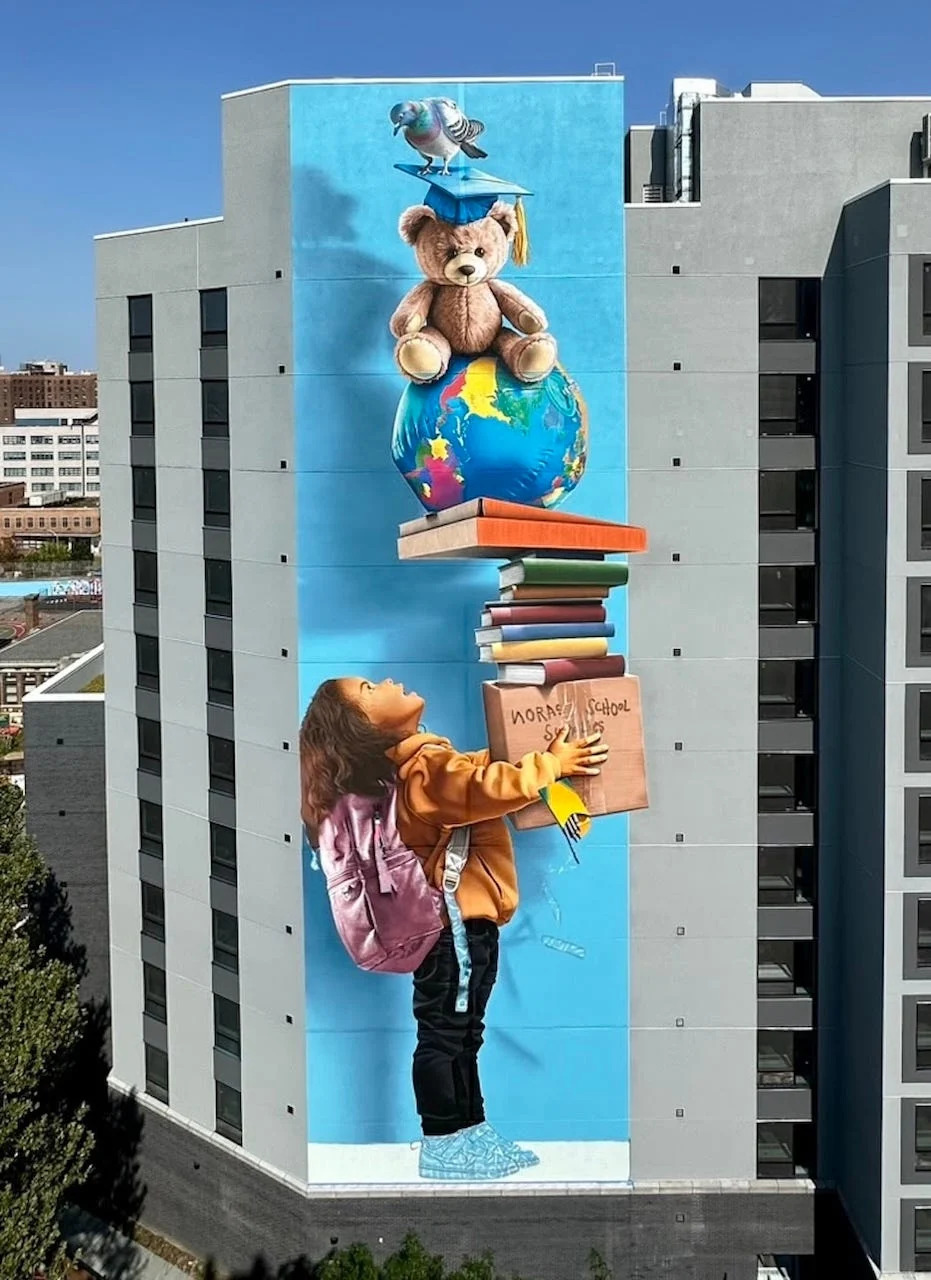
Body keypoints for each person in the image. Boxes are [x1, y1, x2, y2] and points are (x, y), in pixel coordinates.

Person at [300, 675, 609, 1182]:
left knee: (462, 1035)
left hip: (461, 926)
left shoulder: (422, 760)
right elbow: (480, 788)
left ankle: (471, 1131)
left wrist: (532, 757)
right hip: (455, 929)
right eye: (371, 689)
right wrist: (552, 765)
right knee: (447, 1037)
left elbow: (477, 773)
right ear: (365, 726)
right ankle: (446, 1141)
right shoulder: (423, 769)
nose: (388, 682)